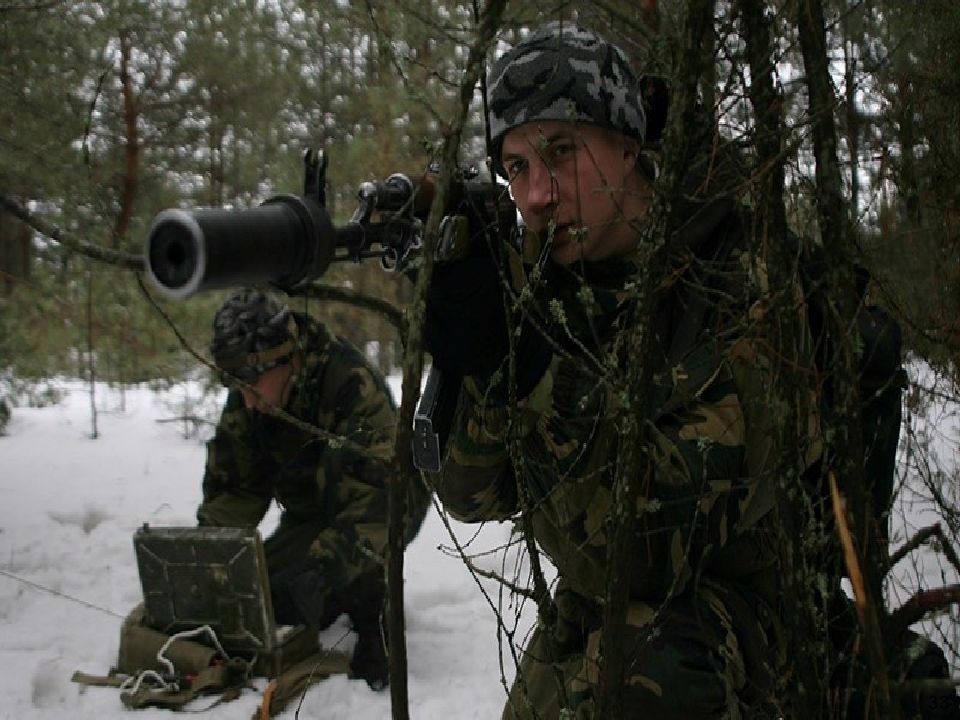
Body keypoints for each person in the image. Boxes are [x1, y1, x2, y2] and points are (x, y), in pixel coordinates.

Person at [424, 22, 821, 718]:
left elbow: (648, 550)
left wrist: (531, 379)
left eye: (561, 151)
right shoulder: (546, 278)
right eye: (516, 167)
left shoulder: (740, 280)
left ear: (629, 145)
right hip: (595, 622)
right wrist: (483, 366)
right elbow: (470, 496)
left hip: (749, 626)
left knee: (648, 670)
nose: (539, 193)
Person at [200, 287, 430, 691]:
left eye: (253, 387)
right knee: (259, 595)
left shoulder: (351, 385)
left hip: (384, 508)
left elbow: (380, 503)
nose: (247, 403)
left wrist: (323, 569)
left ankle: (372, 605)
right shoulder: (252, 396)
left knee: (335, 580)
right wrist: (213, 555)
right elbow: (236, 489)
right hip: (311, 516)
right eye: (238, 389)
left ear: (285, 357)